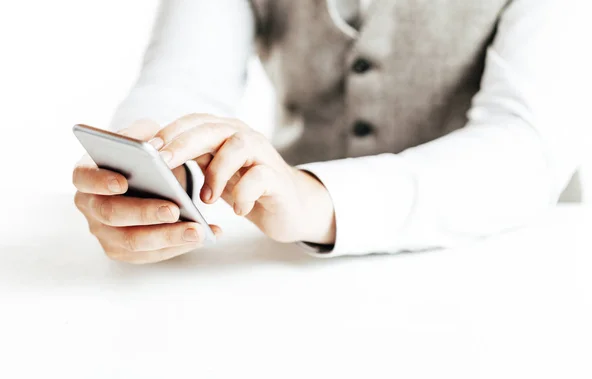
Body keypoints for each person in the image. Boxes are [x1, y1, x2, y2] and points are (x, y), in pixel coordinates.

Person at [72, 0, 588, 264]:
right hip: (299, 273)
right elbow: (181, 80)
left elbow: (528, 142)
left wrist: (315, 198)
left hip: (501, 262)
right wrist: (149, 159)